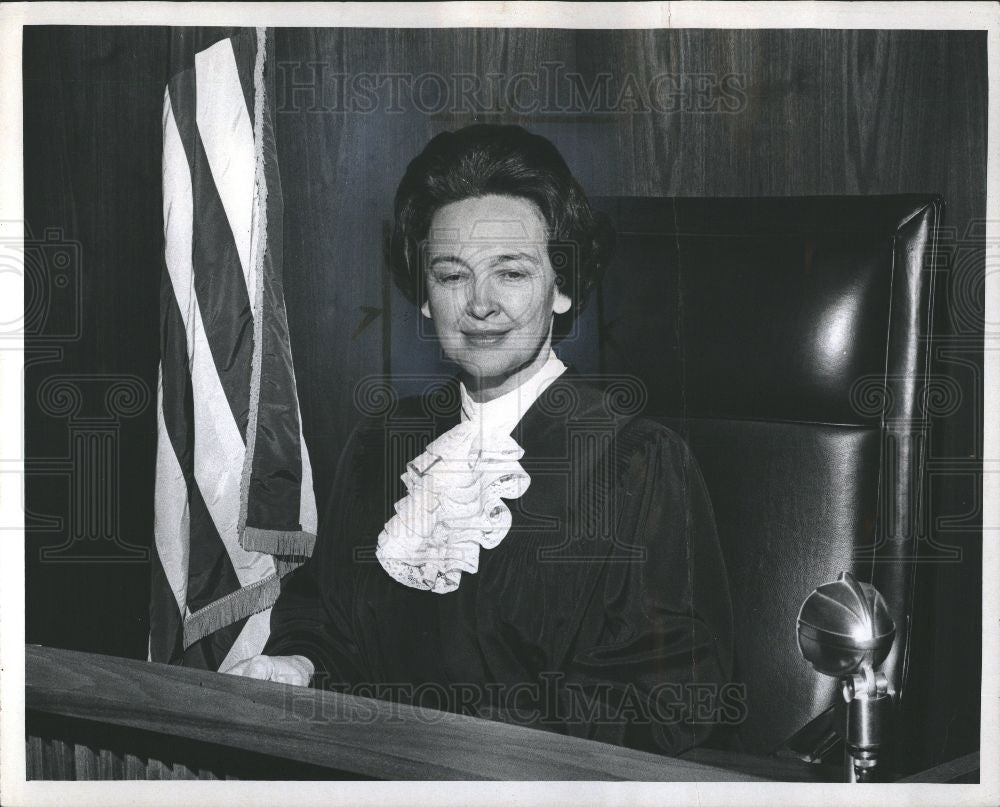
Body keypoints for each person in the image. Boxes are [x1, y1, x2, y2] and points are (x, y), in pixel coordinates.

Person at [230, 124, 734, 756]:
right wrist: (299, 664)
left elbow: (675, 700)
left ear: (564, 287)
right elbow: (326, 621)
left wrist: (484, 739)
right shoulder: (383, 442)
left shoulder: (637, 462)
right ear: (423, 296)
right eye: (451, 276)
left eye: (512, 273)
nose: (480, 305)